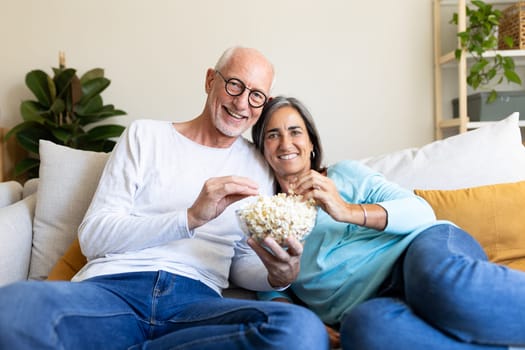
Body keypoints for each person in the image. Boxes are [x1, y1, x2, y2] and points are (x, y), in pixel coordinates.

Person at [0, 48, 329, 350]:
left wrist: (279, 275)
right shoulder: (145, 136)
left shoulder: (259, 165)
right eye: (234, 86)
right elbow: (93, 237)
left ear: (264, 101)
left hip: (194, 306)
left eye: (255, 95)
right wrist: (189, 218)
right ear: (210, 80)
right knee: (14, 307)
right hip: (111, 292)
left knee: (300, 330)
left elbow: (241, 260)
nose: (242, 103)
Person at [250, 95, 525, 350]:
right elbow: (269, 287)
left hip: (417, 252)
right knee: (364, 331)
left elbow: (421, 211)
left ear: (311, 143)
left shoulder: (343, 175)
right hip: (366, 305)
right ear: (262, 150)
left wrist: (346, 210)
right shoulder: (265, 215)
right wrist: (310, 323)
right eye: (273, 135)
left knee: (439, 284)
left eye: (295, 131)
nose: (286, 143)